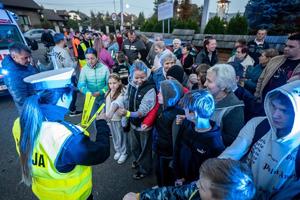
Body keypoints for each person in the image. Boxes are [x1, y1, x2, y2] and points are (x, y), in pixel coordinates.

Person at [12, 68, 110, 200]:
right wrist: (101, 123)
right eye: (71, 95)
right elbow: (100, 153)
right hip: (74, 196)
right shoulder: (68, 137)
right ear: (64, 97)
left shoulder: (19, 123)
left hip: (43, 194)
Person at [219, 80, 300, 199]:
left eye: (284, 110)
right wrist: (211, 174)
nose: (275, 114)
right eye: (273, 106)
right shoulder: (258, 124)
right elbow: (231, 154)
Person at [123, 158, 256, 200]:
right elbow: (174, 193)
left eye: (202, 187)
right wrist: (141, 196)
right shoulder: (197, 189)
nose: (196, 185)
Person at [174, 90, 225, 185]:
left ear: (194, 113)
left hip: (195, 185)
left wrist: (189, 182)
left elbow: (210, 172)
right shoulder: (186, 125)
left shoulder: (214, 142)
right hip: (179, 178)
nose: (184, 111)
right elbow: (177, 148)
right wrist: (178, 175)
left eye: (185, 109)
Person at [118, 60, 156, 180]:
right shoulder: (130, 84)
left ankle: (144, 170)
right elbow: (126, 98)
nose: (139, 80)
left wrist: (127, 113)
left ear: (147, 75)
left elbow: (142, 112)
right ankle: (138, 161)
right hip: (133, 124)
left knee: (145, 150)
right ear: (131, 75)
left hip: (144, 126)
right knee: (134, 147)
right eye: (137, 77)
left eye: (142, 77)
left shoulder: (150, 89)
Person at [153, 80, 185, 186]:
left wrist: (174, 160)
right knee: (159, 172)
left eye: (161, 93)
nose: (158, 95)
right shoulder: (165, 108)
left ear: (170, 96)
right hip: (160, 149)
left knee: (166, 177)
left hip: (167, 153)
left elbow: (176, 140)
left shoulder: (175, 115)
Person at [204, 64, 244, 146]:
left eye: (209, 81)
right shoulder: (207, 96)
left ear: (223, 86)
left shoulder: (234, 109)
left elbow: (230, 141)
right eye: (206, 79)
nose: (205, 84)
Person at [255, 33, 300, 102]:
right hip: (264, 100)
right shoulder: (275, 60)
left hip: (284, 107)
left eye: (291, 47)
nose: (286, 49)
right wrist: (257, 95)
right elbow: (261, 78)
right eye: (286, 46)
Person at [78, 48, 110, 138]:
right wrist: (88, 92)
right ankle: (100, 137)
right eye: (87, 59)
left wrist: (100, 92)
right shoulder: (84, 69)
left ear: (97, 57)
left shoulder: (105, 68)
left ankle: (108, 133)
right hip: (91, 99)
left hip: (104, 98)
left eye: (92, 58)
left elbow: (109, 84)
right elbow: (80, 85)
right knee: (95, 119)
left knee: (106, 118)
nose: (90, 61)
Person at [2, 42, 38, 114]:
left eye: (29, 57)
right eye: (25, 58)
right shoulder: (13, 76)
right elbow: (22, 100)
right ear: (14, 57)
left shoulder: (22, 64)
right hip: (30, 112)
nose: (29, 60)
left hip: (35, 104)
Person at [51, 33, 81, 116]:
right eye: (64, 39)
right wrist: (76, 62)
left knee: (64, 93)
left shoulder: (53, 50)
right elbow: (70, 66)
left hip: (58, 75)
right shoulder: (63, 52)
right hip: (67, 75)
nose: (65, 40)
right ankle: (72, 110)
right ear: (61, 40)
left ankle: (66, 109)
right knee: (73, 92)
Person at [102, 73, 128, 164]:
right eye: (110, 83)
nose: (112, 85)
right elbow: (106, 105)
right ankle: (118, 150)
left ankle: (124, 152)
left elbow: (117, 103)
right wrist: (104, 113)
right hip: (110, 120)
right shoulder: (108, 92)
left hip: (118, 119)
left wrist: (109, 114)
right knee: (114, 136)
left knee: (121, 136)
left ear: (119, 82)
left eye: (114, 83)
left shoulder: (122, 93)